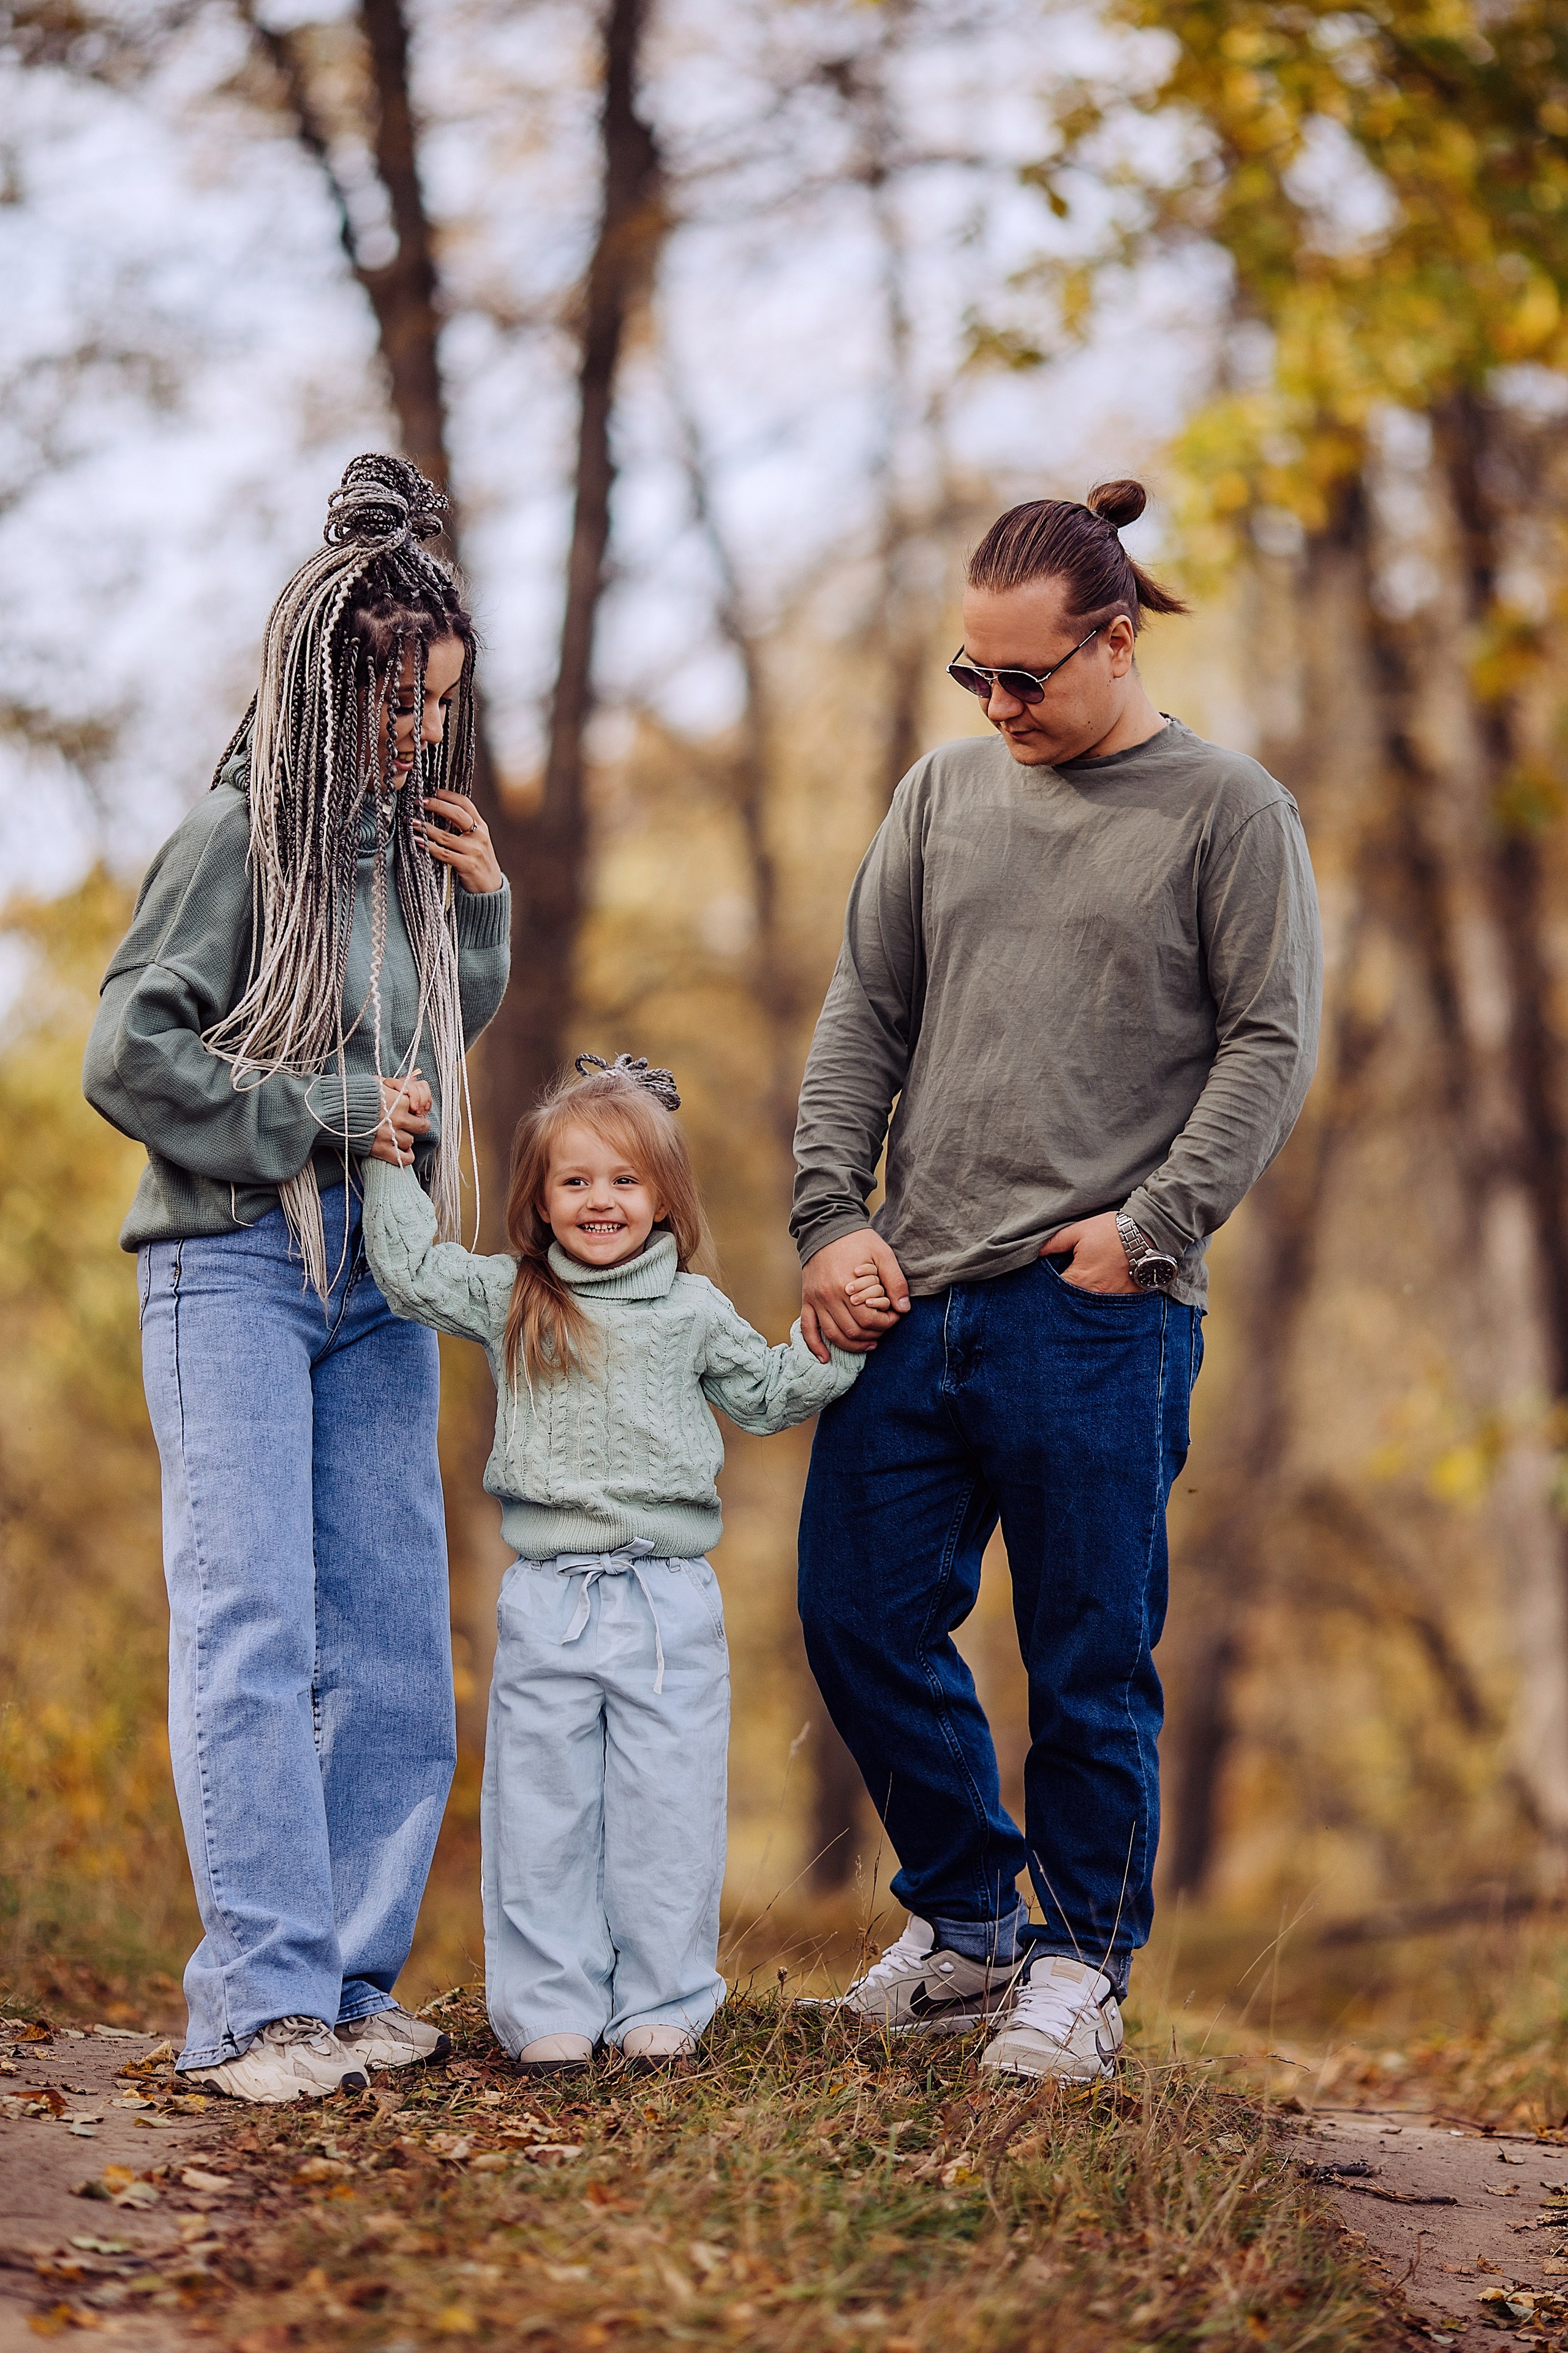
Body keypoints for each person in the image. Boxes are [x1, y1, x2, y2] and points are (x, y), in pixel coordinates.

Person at [791, 478, 1322, 2080]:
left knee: (1091, 1654)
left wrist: (1150, 1231)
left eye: (1027, 675)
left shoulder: (1229, 811)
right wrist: (830, 1219)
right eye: (978, 675)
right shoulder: (944, 797)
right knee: (855, 1612)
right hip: (913, 1294)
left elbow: (1270, 1045)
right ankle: (966, 1925)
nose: (999, 703)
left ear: (1114, 637)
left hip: (1096, 1310)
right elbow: (861, 1016)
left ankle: (1078, 1967)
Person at [83, 454, 512, 2104]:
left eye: (441, 704)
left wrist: (477, 918)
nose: (423, 731)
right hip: (234, 1268)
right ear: (334, 683)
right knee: (252, 1625)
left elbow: (424, 1047)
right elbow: (129, 1050)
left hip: (376, 1281)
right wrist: (328, 1109)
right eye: (402, 701)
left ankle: (342, 1979)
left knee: (398, 1636)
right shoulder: (233, 836)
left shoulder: (404, 852)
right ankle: (258, 2001)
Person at [361, 1054, 876, 2075]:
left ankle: (661, 2006)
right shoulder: (514, 1296)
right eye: (575, 1180)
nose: (601, 1200)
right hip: (549, 1599)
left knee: (666, 1811)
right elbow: (409, 1271)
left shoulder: (692, 1310)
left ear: (666, 1198)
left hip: (666, 1606)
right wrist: (394, 1156)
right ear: (540, 1200)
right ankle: (549, 2003)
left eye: (625, 1180)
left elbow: (772, 1393)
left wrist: (845, 1332)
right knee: (542, 1809)